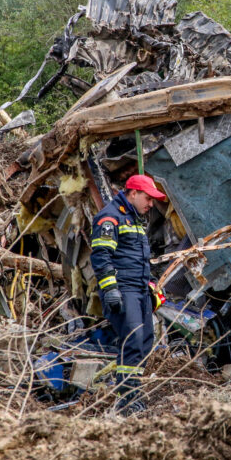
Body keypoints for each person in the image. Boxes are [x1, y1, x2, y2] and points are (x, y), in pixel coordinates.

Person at [89, 173, 167, 414]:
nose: (151, 204)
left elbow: (138, 259)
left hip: (140, 290)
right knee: (132, 340)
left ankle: (133, 392)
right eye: (148, 198)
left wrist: (151, 284)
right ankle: (127, 400)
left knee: (145, 341)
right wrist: (110, 289)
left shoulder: (134, 219)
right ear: (133, 193)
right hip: (123, 291)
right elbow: (101, 256)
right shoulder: (110, 218)